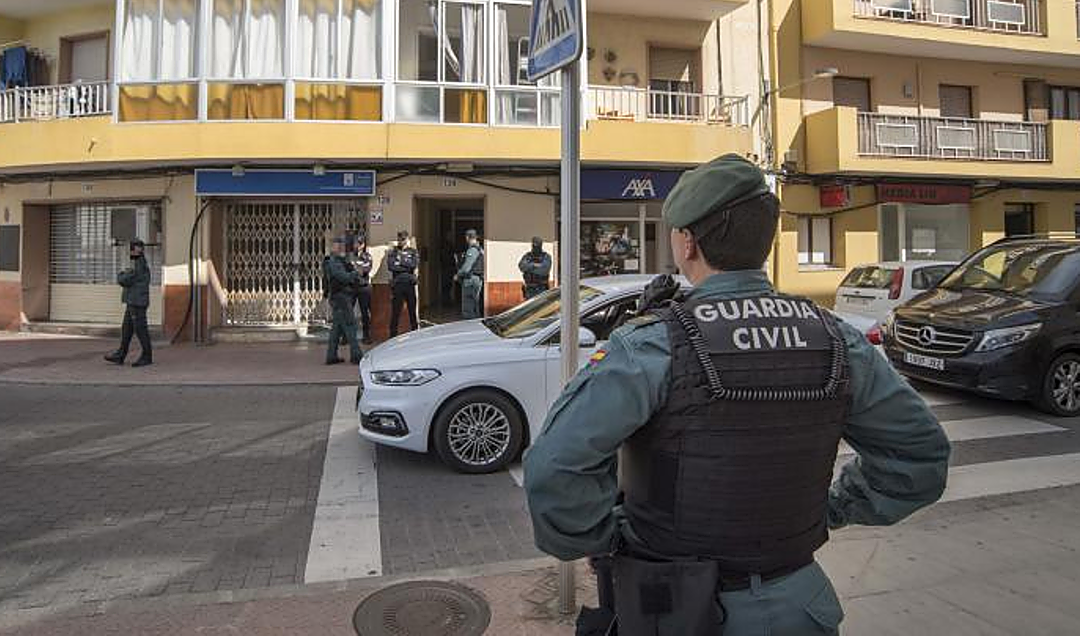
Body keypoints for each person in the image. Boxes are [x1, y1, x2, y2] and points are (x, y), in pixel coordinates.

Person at [523, 154, 950, 636]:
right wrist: (832, 509)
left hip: (675, 609)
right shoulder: (836, 338)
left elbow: (555, 470)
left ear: (686, 243)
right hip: (798, 604)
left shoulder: (653, 344)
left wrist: (607, 537)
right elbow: (920, 458)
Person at [105, 238, 154, 368]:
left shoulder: (137, 263)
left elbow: (124, 279)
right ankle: (120, 354)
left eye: (132, 249)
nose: (130, 251)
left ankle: (147, 356)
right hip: (133, 301)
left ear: (136, 250)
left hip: (137, 302)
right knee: (127, 329)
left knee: (140, 329)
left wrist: (120, 274)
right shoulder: (138, 262)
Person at [323, 236, 364, 365]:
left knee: (336, 329)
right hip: (340, 297)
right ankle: (356, 355)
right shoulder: (333, 261)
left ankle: (331, 355)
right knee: (350, 325)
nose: (341, 248)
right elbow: (343, 277)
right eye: (338, 245)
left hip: (341, 297)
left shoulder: (341, 261)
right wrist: (355, 273)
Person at [387, 231, 420, 338]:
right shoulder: (393, 252)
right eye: (400, 239)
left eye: (403, 239)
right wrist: (406, 263)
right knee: (396, 312)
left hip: (409, 284)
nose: (401, 241)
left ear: (407, 240)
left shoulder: (413, 251)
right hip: (398, 285)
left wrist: (400, 261)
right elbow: (391, 266)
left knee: (412, 312)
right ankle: (392, 336)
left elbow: (414, 264)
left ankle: (415, 334)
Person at [454, 229, 485, 320]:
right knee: (476, 305)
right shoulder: (481, 249)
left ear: (468, 238)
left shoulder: (472, 250)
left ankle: (470, 327)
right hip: (478, 279)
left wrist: (458, 275)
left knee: (468, 307)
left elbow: (466, 268)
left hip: (470, 280)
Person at [350, 235, 374, 343]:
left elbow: (365, 270)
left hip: (363, 288)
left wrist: (354, 267)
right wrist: (357, 267)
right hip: (351, 287)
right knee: (348, 312)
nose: (356, 245)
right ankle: (347, 336)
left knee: (365, 313)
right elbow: (346, 270)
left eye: (358, 243)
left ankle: (367, 336)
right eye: (355, 243)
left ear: (362, 245)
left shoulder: (367, 256)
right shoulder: (350, 256)